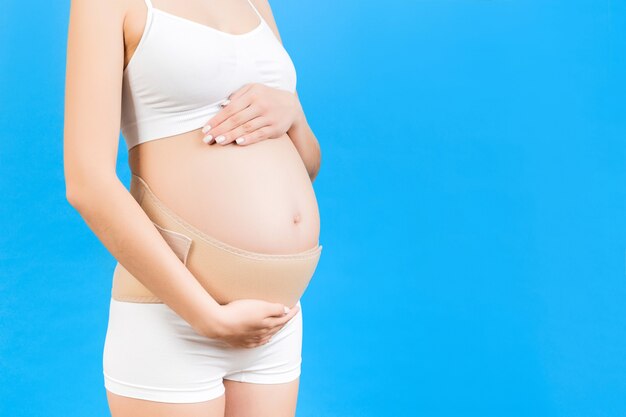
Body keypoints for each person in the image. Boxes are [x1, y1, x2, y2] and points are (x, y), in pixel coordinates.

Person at [63, 0, 323, 416]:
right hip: (175, 319)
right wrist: (207, 317)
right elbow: (86, 183)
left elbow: (305, 164)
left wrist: (293, 115)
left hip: (275, 322)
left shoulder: (256, 3)